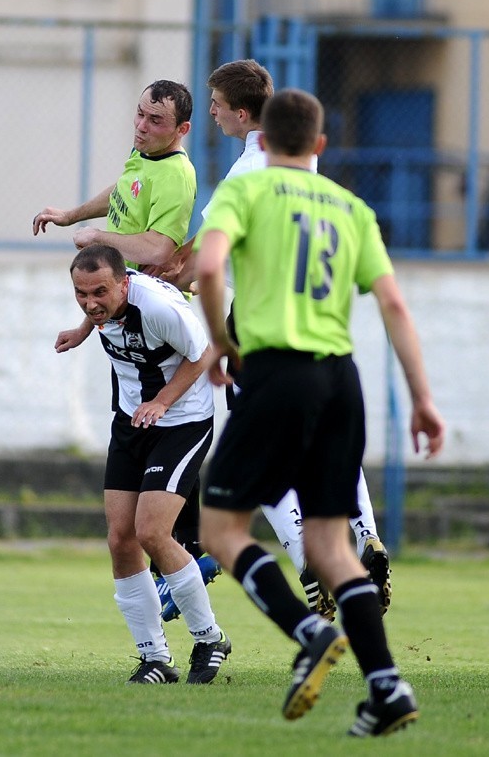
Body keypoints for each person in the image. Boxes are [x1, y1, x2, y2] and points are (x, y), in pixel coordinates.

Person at [195, 89, 445, 733]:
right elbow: (393, 305)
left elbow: (210, 262)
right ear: (321, 146)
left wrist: (223, 343)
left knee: (221, 529)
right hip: (342, 380)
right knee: (334, 549)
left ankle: (309, 633)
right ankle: (387, 688)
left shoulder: (245, 190)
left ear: (264, 140)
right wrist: (422, 398)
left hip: (276, 372)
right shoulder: (351, 208)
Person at [152, 60, 391, 622]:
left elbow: (204, 260)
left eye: (214, 102)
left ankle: (309, 567)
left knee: (254, 468)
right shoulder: (319, 179)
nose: (208, 111)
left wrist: (179, 288)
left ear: (242, 113)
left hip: (261, 325)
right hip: (327, 337)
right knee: (333, 450)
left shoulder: (249, 176)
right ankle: (365, 539)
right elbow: (391, 299)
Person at [32, 79, 220, 595]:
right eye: (139, 115)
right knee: (138, 413)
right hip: (122, 311)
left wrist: (99, 238)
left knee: (162, 414)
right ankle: (190, 554)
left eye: (155, 121)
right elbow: (122, 194)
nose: (141, 126)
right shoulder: (142, 156)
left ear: (181, 129)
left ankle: (186, 560)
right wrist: (71, 215)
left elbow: (158, 250)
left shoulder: (178, 174)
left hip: (152, 311)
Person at [67, 244, 231, 684]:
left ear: (125, 283)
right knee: (121, 538)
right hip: (130, 421)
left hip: (182, 423)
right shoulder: (102, 303)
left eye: (99, 292)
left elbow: (202, 355)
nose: (90, 302)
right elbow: (99, 306)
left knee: (151, 532)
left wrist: (161, 400)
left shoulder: (158, 308)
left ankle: (209, 637)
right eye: (81, 294)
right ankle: (155, 658)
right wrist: (84, 328)